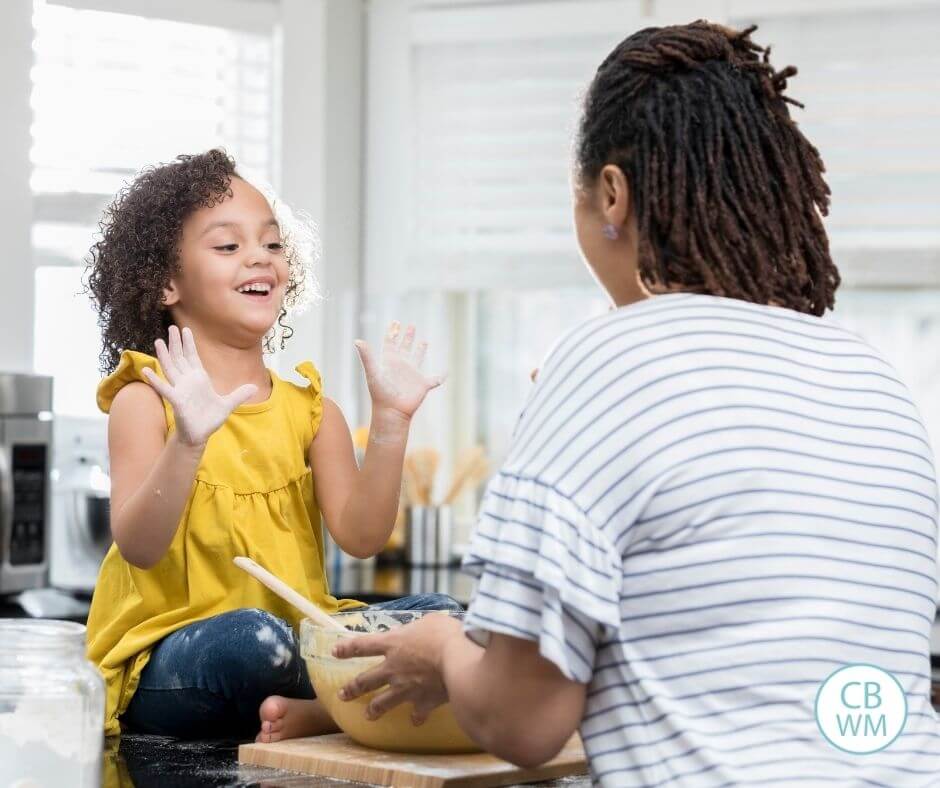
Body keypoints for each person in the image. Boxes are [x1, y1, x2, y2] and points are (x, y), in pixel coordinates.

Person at [333, 21, 940, 784]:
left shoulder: (609, 359)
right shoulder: (872, 376)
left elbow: (523, 718)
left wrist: (443, 648)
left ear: (611, 193)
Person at [83, 149, 461, 742]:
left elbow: (362, 538)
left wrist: (390, 422)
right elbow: (140, 547)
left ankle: (314, 708)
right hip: (172, 660)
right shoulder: (145, 400)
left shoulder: (311, 412)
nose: (259, 256)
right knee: (250, 644)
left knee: (445, 621)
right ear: (165, 282)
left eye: (273, 244)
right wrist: (189, 439)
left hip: (296, 639)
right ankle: (334, 705)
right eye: (228, 246)